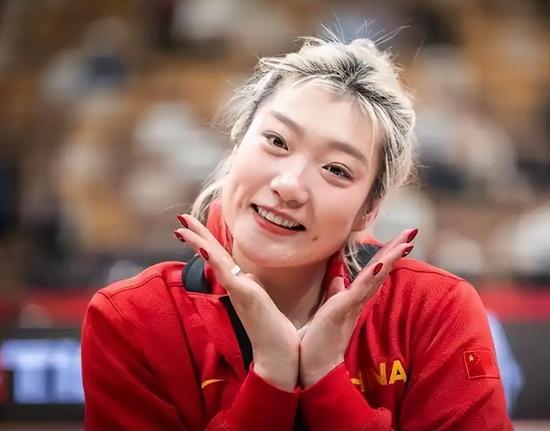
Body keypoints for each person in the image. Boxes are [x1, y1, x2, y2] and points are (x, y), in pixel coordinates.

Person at [81, 36, 512, 430]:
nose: (289, 185)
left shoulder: (431, 311)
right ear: (237, 145)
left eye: (336, 169)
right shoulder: (132, 319)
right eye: (276, 141)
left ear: (368, 211)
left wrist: (326, 377)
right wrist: (271, 377)